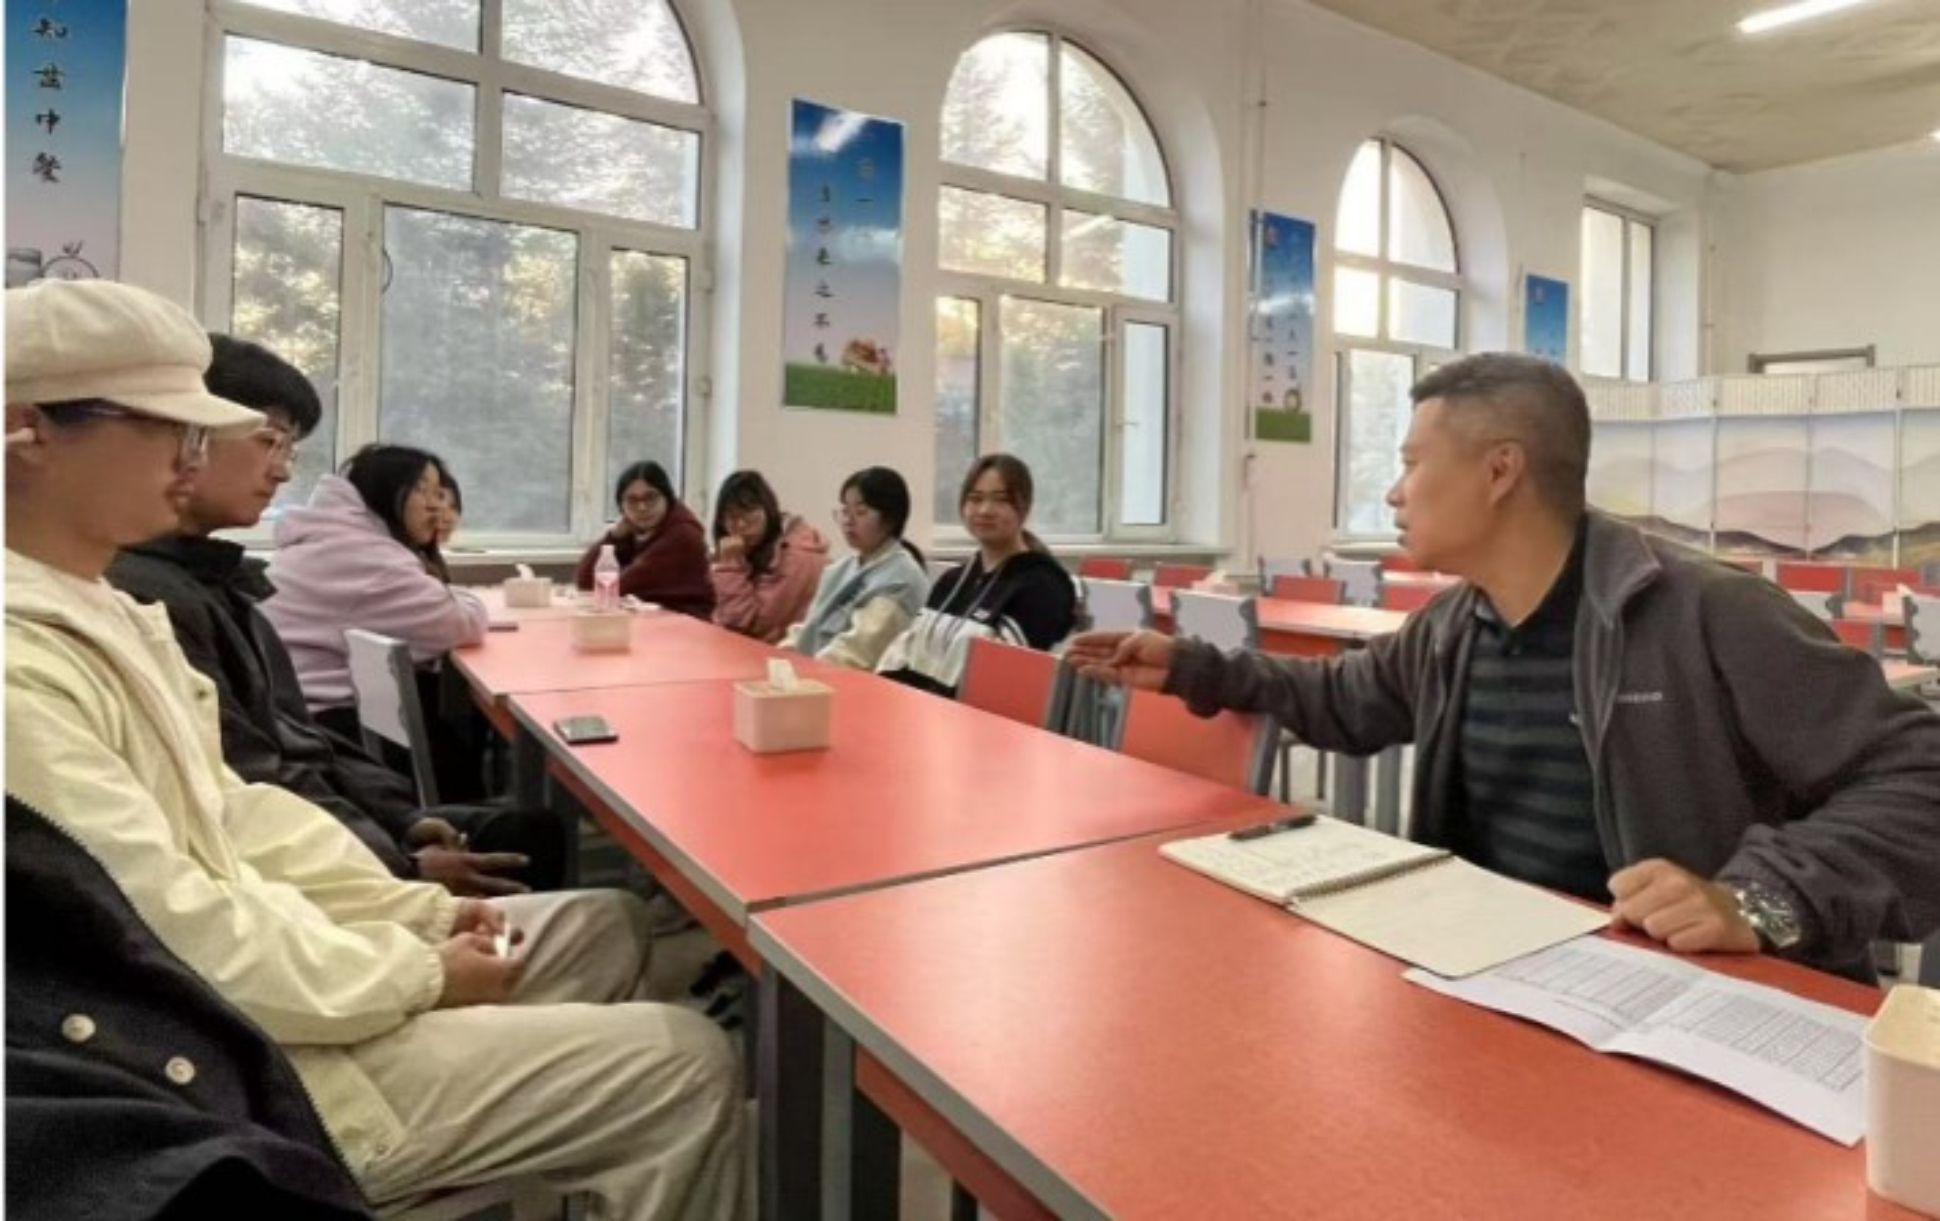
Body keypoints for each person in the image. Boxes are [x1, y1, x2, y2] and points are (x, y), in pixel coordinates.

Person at [6, 279, 747, 1218]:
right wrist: (415, 966)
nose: (193, 458)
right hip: (232, 1054)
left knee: (598, 930)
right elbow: (173, 925)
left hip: (267, 977)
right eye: (168, 428)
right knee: (684, 1062)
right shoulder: (26, 657)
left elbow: (243, 815)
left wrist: (414, 916)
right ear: (28, 431)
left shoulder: (107, 603)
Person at [1068, 352, 1940, 979]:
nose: (1394, 492)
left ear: (1499, 471)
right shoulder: (1454, 624)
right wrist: (1191, 666)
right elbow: (1343, 697)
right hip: (1505, 974)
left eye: (1412, 463)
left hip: (1683, 994)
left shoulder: (1704, 610)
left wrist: (1756, 898)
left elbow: (1920, 772)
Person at [107, 335, 561, 895]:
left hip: (333, 800)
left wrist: (400, 820)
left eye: (290, 451)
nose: (282, 472)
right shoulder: (154, 600)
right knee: (557, 862)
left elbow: (293, 743)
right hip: (303, 862)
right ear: (185, 435)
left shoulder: (213, 579)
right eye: (269, 442)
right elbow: (253, 787)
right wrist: (399, 864)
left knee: (525, 825)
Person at [8, 795, 373, 1221]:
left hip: (252, 1097)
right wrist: (423, 963)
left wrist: (422, 918)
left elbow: (266, 842)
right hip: (260, 1097)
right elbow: (200, 938)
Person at [261, 443, 489, 722]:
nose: (435, 505)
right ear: (383, 492)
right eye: (420, 489)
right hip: (320, 723)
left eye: (437, 493)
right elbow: (463, 623)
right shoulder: (370, 559)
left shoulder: (334, 538)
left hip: (287, 709)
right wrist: (460, 595)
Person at [877, 453, 1077, 697]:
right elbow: (906, 652)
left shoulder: (1043, 586)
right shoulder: (952, 581)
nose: (984, 510)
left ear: (1025, 507)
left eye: (1000, 500)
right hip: (923, 709)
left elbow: (1003, 684)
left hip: (981, 717)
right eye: (975, 498)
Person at [782, 466, 931, 670]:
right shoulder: (840, 569)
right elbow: (810, 628)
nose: (848, 521)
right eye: (845, 511)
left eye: (860, 512)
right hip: (818, 671)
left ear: (890, 519)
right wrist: (781, 656)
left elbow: (858, 652)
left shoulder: (902, 579)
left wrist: (806, 671)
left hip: (857, 680)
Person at [575, 461, 714, 619]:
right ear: (621, 507)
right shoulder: (635, 531)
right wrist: (613, 536)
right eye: (632, 500)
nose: (642, 507)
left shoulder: (683, 535)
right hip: (652, 619)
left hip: (688, 623)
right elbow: (584, 581)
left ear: (667, 498)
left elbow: (617, 587)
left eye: (651, 498)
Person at [709, 469, 829, 643]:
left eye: (749, 514)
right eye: (732, 517)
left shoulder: (795, 556)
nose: (741, 525)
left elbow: (746, 625)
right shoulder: (746, 549)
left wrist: (730, 566)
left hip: (785, 653)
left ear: (767, 510)